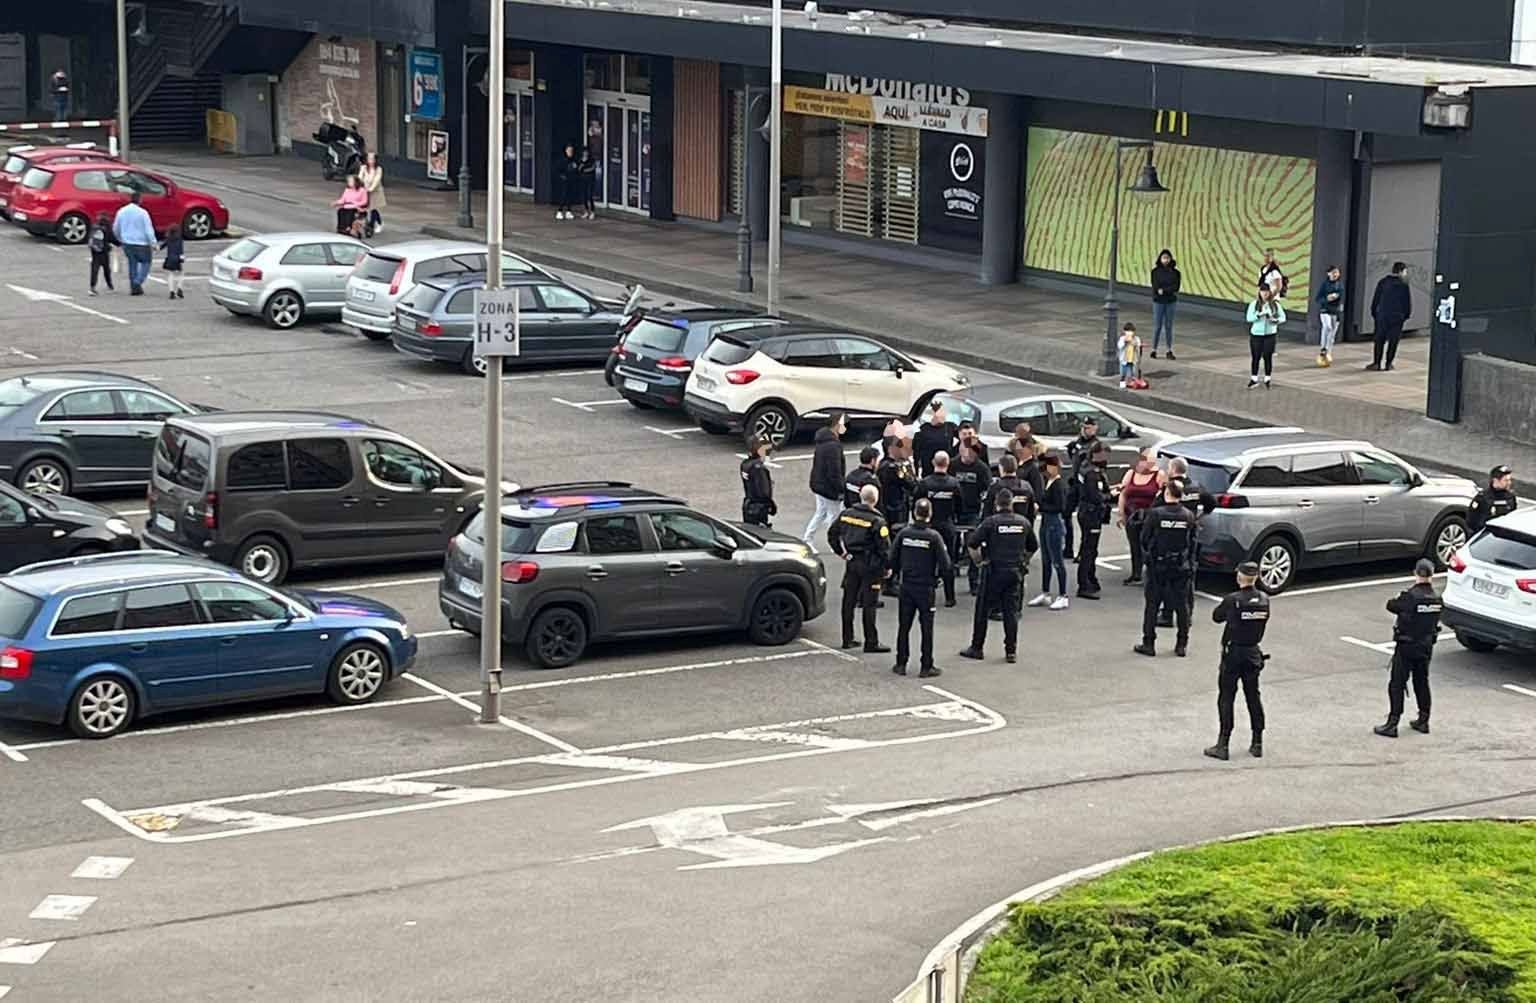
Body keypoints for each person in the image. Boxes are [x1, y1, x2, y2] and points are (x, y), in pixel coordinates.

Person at [959, 489, 1038, 664]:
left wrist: (979, 562)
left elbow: (972, 544)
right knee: (1011, 612)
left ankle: (977, 647)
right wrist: (1023, 561)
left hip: (993, 572)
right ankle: (1011, 650)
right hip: (1014, 572)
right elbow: (1033, 546)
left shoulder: (991, 523)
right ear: (1011, 504)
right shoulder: (1023, 522)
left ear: (996, 504)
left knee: (982, 611)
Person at [1204, 561, 1270, 761]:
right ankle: (1257, 742)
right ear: (1256, 577)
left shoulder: (1233, 599)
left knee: (1226, 697)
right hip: (1253, 652)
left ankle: (1223, 744)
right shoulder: (1265, 599)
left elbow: (1217, 617)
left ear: (1239, 577)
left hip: (1234, 653)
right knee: (1253, 696)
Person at [1375, 559, 1442, 738]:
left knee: (1397, 684)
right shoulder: (1437, 598)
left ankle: (1392, 723)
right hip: (1426, 647)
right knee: (1422, 682)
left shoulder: (1410, 596)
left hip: (1407, 646)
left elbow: (1391, 605)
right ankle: (1423, 720)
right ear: (1432, 575)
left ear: (1416, 573)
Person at [891, 497, 952, 679]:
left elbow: (892, 557)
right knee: (927, 628)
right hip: (926, 588)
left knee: (904, 626)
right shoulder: (934, 537)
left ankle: (901, 663)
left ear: (914, 513)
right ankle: (926, 666)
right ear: (930, 514)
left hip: (907, 585)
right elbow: (946, 564)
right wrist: (938, 578)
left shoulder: (904, 534)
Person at [1134, 478, 1195, 657]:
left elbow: (1144, 538)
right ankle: (1181, 644)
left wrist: (1148, 557)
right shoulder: (1188, 515)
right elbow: (1192, 543)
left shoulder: (1156, 514)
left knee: (1152, 605)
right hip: (1180, 566)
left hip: (1158, 565)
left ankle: (1149, 643)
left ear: (1166, 494)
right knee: (1182, 606)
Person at [828, 483, 891, 654]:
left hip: (852, 562)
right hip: (871, 565)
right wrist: (888, 567)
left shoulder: (846, 514)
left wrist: (841, 552)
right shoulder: (877, 521)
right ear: (875, 500)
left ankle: (847, 638)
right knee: (869, 603)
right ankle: (871, 641)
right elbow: (884, 548)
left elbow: (832, 534)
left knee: (849, 600)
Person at [913, 451, 962, 607]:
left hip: (928, 525)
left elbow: (915, 502)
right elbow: (960, 505)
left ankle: (927, 594)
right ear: (947, 464)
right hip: (947, 525)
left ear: (934, 463)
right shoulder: (954, 484)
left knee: (926, 561)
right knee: (948, 562)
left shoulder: (925, 483)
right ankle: (950, 597)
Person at [1029, 454, 1070, 611]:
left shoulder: (1059, 485)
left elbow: (1060, 507)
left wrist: (1041, 507)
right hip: (1046, 522)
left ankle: (1063, 595)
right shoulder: (1049, 482)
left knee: (1057, 560)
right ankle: (1045, 592)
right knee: (1046, 559)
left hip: (1054, 523)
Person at [802, 412, 848, 552]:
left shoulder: (823, 441)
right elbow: (834, 471)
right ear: (837, 425)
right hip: (829, 488)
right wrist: (841, 489)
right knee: (834, 517)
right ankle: (834, 543)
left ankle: (808, 538)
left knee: (821, 512)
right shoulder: (833, 445)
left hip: (819, 484)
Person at [1117, 448, 1161, 585]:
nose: (1145, 463)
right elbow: (1123, 493)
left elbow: (1161, 495)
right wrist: (1121, 513)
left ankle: (1151, 572)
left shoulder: (1159, 474)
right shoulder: (1131, 473)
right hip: (1132, 515)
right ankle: (1136, 573)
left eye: (1148, 460)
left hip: (1149, 516)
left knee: (1149, 545)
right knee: (1134, 544)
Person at [952, 441, 991, 594]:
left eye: (971, 452)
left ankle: (974, 580)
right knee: (952, 544)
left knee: (972, 544)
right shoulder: (953, 465)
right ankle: (950, 571)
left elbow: (988, 489)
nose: (968, 455)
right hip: (954, 510)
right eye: (965, 450)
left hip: (973, 511)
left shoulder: (981, 468)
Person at [1075, 444, 1112, 599]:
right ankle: (1084, 584)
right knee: (1089, 550)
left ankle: (1090, 578)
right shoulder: (1092, 474)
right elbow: (1095, 496)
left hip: (1086, 512)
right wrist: (1110, 496)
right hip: (1091, 514)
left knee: (1089, 548)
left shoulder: (1085, 468)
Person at [1368, 262, 1412, 372]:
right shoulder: (1404, 285)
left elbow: (1376, 300)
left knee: (1379, 339)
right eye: (1405, 271)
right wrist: (1405, 315)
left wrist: (1375, 313)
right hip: (1397, 317)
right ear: (1401, 271)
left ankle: (1377, 363)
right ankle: (1388, 363)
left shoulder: (1382, 282)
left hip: (1382, 315)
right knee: (1393, 341)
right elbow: (1406, 302)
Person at [112, 193, 156, 296]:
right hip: (142, 243)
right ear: (139, 200)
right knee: (146, 262)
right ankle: (138, 282)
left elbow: (116, 227)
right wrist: (153, 242)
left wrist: (119, 239)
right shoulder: (143, 213)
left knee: (132, 264)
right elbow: (148, 229)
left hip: (127, 242)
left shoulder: (121, 211)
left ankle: (134, 287)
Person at [1245, 286, 1285, 389]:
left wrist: (1274, 320)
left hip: (1270, 334)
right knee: (1256, 356)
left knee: (1267, 356)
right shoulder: (1254, 304)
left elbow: (1282, 317)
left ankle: (1267, 378)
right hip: (1256, 334)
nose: (1265, 294)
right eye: (1263, 292)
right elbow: (1249, 318)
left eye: (1266, 292)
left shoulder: (1275, 305)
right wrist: (1258, 315)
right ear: (1259, 293)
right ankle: (1254, 378)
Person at [877, 436, 916, 530]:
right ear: (891, 448)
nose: (902, 448)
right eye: (899, 445)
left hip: (885, 507)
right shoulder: (895, 468)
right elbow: (911, 484)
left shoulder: (881, 465)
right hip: (896, 509)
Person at [1468, 465, 1518, 535]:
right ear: (1495, 480)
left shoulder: (1510, 497)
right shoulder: (1482, 498)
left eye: (1510, 480)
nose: (1509, 483)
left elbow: (1513, 517)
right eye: (1506, 480)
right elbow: (1471, 521)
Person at [913, 400, 958, 478]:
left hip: (946, 470)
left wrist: (954, 453)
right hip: (928, 471)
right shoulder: (923, 430)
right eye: (936, 412)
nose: (938, 415)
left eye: (940, 411)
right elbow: (916, 453)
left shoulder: (950, 427)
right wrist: (916, 473)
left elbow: (963, 439)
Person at [1150, 249, 1181, 359]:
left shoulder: (1176, 273)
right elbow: (1156, 286)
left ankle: (1169, 350)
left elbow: (1176, 287)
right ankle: (1154, 349)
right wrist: (1163, 290)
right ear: (1160, 258)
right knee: (1157, 326)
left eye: (1167, 258)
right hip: (1158, 301)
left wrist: (1165, 290)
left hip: (1170, 301)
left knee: (1168, 326)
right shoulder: (1155, 271)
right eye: (1164, 258)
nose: (1166, 260)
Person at [740, 436, 776, 527]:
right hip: (758, 508)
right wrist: (771, 504)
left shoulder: (745, 464)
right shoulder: (758, 468)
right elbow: (763, 492)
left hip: (748, 505)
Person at [1314, 265, 1344, 368]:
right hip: (1325, 310)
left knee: (1332, 334)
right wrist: (1327, 299)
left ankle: (1328, 351)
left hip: (1335, 312)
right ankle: (1323, 348)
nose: (1335, 274)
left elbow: (1342, 298)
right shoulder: (1324, 285)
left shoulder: (1340, 285)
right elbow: (1318, 298)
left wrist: (1340, 305)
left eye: (1337, 272)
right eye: (1333, 272)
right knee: (1327, 327)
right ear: (1328, 274)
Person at [87, 212, 115, 296]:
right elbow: (111, 238)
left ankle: (92, 287)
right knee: (106, 269)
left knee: (94, 270)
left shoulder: (94, 227)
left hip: (95, 252)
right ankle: (110, 285)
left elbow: (90, 239)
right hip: (104, 252)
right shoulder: (106, 228)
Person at [358, 152, 386, 234]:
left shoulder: (378, 169)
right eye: (369, 158)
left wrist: (371, 189)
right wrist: (358, 186)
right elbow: (360, 177)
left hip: (375, 192)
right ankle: (366, 223)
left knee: (373, 208)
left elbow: (376, 180)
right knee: (365, 208)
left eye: (372, 159)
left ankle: (376, 224)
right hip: (365, 191)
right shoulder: (363, 168)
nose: (370, 160)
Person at [160, 224, 185, 301]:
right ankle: (179, 288)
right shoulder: (180, 239)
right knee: (181, 273)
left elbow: (161, 247)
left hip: (169, 259)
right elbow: (180, 250)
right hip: (177, 258)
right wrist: (182, 258)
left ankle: (171, 291)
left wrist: (154, 247)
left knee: (170, 275)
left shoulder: (168, 239)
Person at [555, 144, 580, 220]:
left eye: (571, 151)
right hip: (564, 181)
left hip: (571, 180)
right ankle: (559, 211)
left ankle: (569, 211)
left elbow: (576, 169)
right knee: (564, 195)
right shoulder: (562, 160)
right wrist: (562, 177)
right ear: (566, 151)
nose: (570, 152)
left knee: (570, 195)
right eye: (569, 150)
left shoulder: (574, 160)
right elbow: (558, 170)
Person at [1117, 322, 1141, 389]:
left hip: (1132, 359)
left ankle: (1131, 383)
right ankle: (1122, 383)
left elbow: (1138, 346)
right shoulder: (1122, 338)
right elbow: (1119, 346)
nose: (1130, 333)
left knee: (1132, 372)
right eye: (1127, 331)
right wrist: (1125, 342)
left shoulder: (1136, 338)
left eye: (1131, 331)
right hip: (1124, 359)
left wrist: (1134, 343)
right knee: (1123, 372)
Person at [578, 147, 598, 219]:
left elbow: (593, 168)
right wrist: (581, 167)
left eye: (586, 152)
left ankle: (592, 211)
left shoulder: (591, 160)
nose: (585, 153)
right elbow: (579, 169)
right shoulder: (581, 160)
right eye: (584, 152)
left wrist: (585, 170)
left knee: (590, 196)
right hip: (583, 180)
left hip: (590, 180)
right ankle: (586, 211)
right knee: (584, 196)